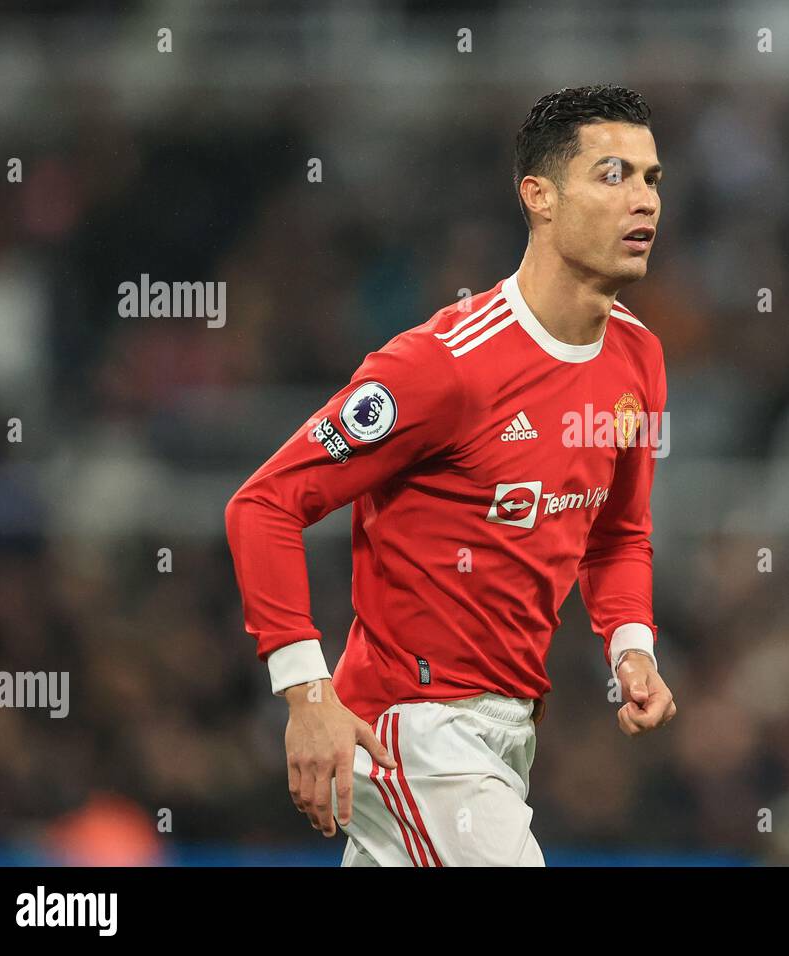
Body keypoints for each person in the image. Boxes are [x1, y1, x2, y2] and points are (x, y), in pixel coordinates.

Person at [225, 85, 675, 866]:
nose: (643, 201)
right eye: (613, 175)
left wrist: (630, 647)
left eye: (652, 178)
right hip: (413, 730)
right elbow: (263, 503)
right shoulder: (445, 367)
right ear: (538, 195)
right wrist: (306, 694)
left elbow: (617, 533)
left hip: (505, 738)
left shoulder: (639, 359)